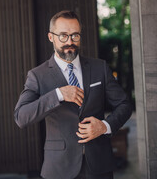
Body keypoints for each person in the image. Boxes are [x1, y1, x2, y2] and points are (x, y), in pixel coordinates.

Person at [14, 10, 132, 179]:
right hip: (59, 168)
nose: (70, 42)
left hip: (99, 165)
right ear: (51, 37)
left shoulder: (99, 68)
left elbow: (124, 105)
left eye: (75, 35)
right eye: (63, 36)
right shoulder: (37, 75)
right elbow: (21, 117)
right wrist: (58, 94)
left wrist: (104, 126)